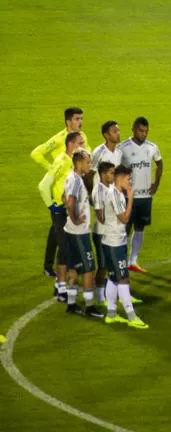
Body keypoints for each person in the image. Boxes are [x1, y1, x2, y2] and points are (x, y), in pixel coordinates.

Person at [31, 107, 87, 277]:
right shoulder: (59, 139)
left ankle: (51, 267)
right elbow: (36, 153)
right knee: (63, 236)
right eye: (77, 119)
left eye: (81, 118)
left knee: (57, 231)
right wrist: (52, 171)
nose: (80, 122)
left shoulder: (81, 137)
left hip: (75, 193)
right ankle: (64, 276)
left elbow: (87, 155)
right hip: (60, 195)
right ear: (68, 121)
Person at [38, 130, 85, 302]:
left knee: (69, 249)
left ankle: (62, 286)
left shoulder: (74, 162)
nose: (83, 146)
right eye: (80, 144)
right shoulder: (61, 161)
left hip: (71, 210)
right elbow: (43, 185)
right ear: (71, 145)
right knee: (65, 249)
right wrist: (53, 206)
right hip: (61, 211)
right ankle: (60, 288)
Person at [100, 165, 148, 329]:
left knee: (113, 277)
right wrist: (131, 198)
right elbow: (125, 218)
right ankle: (131, 316)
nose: (130, 181)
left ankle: (111, 315)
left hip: (112, 241)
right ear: (119, 178)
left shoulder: (115, 192)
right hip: (114, 243)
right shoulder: (114, 194)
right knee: (123, 278)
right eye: (128, 178)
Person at [62, 148, 103, 318]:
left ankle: (71, 304)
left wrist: (70, 213)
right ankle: (89, 306)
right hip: (79, 232)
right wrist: (75, 217)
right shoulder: (77, 180)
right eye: (87, 161)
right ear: (78, 162)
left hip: (70, 231)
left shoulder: (71, 177)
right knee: (88, 269)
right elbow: (70, 201)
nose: (89, 164)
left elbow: (64, 197)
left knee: (73, 268)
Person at [120, 117, 163, 272]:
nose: (143, 134)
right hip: (128, 197)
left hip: (145, 197)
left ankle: (133, 261)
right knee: (124, 229)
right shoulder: (123, 147)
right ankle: (121, 261)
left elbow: (159, 163)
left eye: (146, 131)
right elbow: (116, 169)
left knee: (140, 228)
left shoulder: (152, 147)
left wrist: (156, 183)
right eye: (141, 130)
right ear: (133, 129)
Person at [91, 160, 116, 306]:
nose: (114, 175)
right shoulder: (99, 190)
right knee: (103, 265)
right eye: (111, 173)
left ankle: (109, 293)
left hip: (110, 232)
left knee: (111, 264)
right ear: (103, 174)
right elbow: (99, 215)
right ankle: (100, 297)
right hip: (102, 233)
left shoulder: (111, 187)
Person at [90, 121, 123, 187]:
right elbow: (90, 173)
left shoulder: (119, 152)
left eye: (118, 131)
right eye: (114, 131)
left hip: (113, 192)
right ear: (106, 135)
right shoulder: (99, 152)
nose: (118, 133)